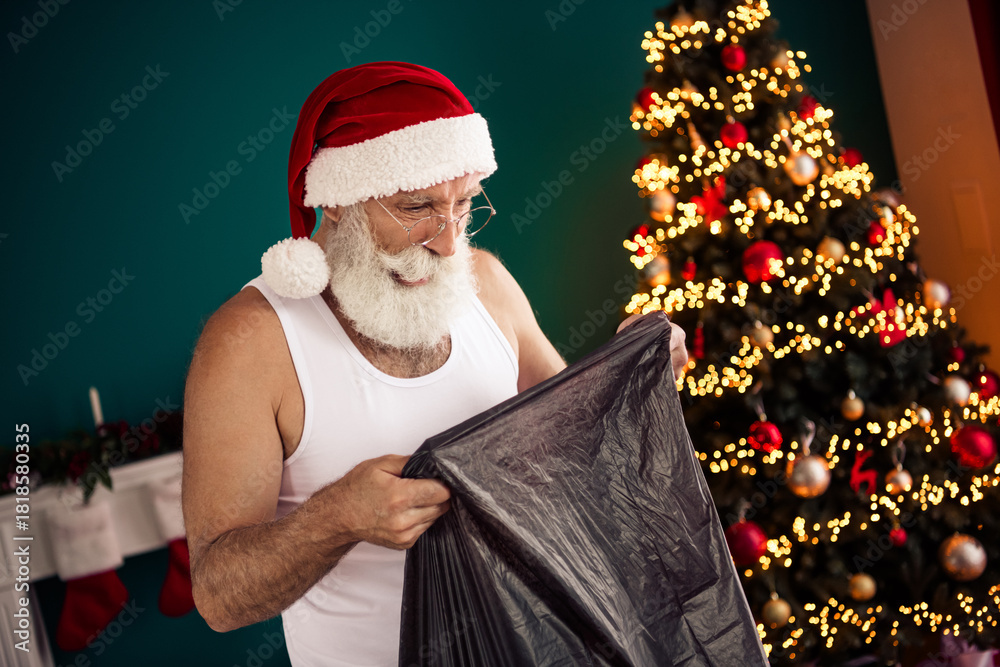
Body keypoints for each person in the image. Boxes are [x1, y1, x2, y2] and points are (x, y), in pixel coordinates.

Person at [181, 61, 687, 666]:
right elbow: (217, 596)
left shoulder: (488, 284)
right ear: (337, 202)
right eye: (416, 206)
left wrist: (636, 381)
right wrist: (335, 519)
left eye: (464, 203)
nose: (449, 242)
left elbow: (585, 448)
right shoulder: (252, 340)